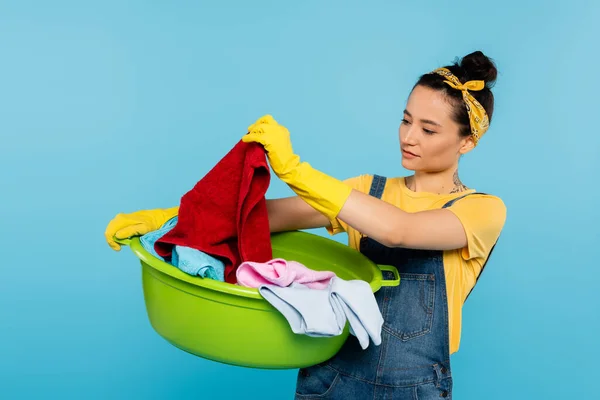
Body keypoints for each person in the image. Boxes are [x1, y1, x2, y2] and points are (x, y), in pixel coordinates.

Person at [104, 50, 506, 399]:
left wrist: (295, 169)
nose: (409, 137)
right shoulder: (368, 191)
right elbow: (261, 217)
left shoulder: (481, 210)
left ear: (466, 142)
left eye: (428, 129)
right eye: (406, 120)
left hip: (415, 389)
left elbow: (399, 230)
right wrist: (171, 219)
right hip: (332, 378)